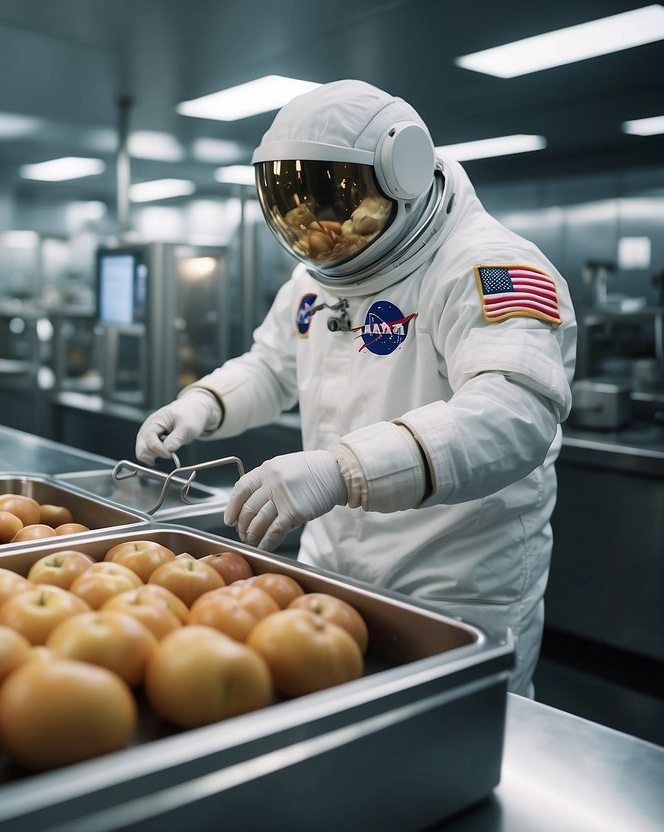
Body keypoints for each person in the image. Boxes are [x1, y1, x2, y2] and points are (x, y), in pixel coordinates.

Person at [135, 80, 577, 697]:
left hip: (454, 579)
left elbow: (513, 413)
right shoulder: (317, 281)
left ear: (402, 172)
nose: (320, 226)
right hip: (333, 564)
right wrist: (203, 403)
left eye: (338, 198)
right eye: (296, 197)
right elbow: (271, 366)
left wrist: (344, 470)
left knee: (448, 749)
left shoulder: (491, 267)